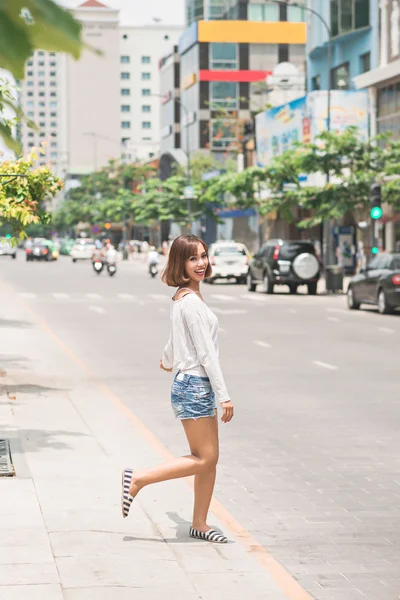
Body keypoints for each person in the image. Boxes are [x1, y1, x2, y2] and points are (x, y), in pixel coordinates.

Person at [121, 235, 234, 543]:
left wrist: (168, 358)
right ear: (180, 264)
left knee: (208, 458)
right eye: (193, 258)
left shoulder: (182, 298)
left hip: (191, 383)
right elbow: (206, 353)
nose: (201, 263)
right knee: (205, 459)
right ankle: (139, 479)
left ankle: (199, 523)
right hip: (197, 384)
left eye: (204, 256)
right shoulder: (192, 304)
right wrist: (224, 396)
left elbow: (176, 336)